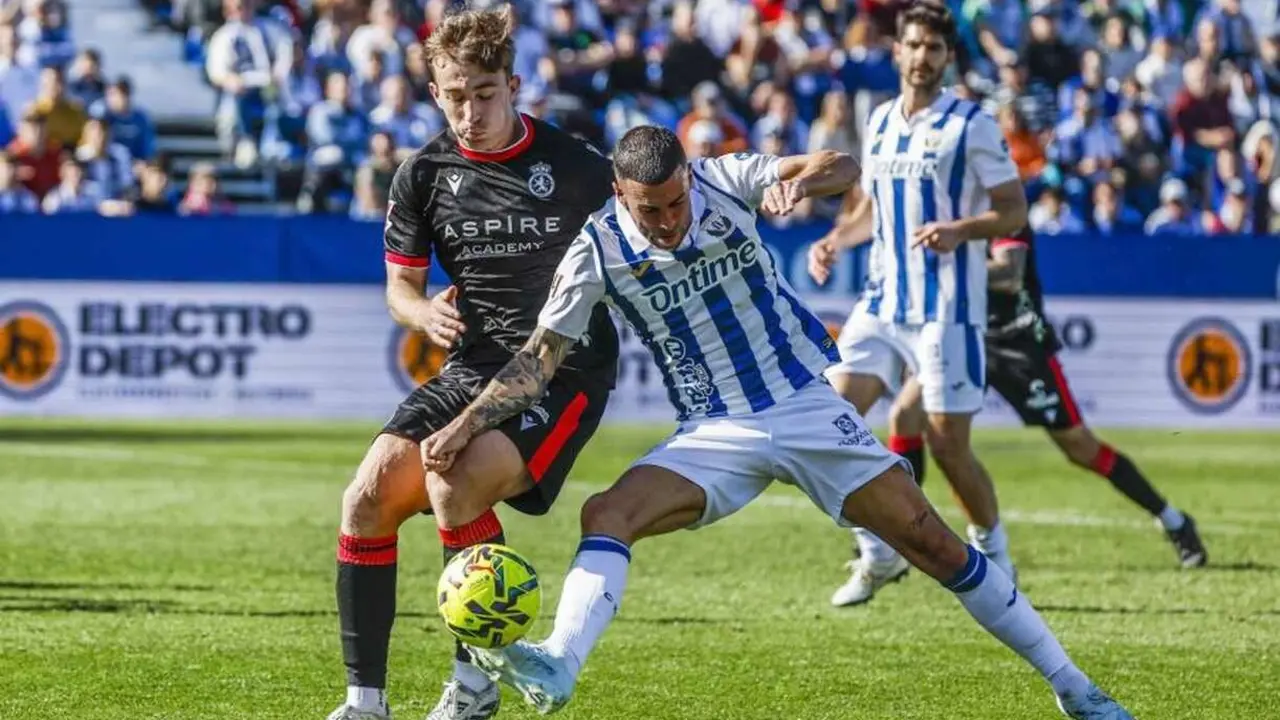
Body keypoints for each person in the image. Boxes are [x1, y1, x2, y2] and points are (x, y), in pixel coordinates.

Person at [422, 125, 1134, 720]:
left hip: (804, 403)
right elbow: (539, 358)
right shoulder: (597, 249)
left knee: (935, 545)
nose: (668, 221)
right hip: (712, 431)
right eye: (651, 211)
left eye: (675, 203)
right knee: (607, 512)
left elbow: (842, 165)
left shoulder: (724, 178)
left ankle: (1077, 691)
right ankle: (559, 665)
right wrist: (465, 424)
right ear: (619, 195)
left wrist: (806, 180)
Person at [327, 8, 619, 720]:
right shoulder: (422, 174)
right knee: (365, 500)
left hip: (565, 367)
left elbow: (654, 230)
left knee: (452, 481)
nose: (471, 110)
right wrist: (421, 310)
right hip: (472, 365)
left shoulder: (576, 167)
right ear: (434, 93)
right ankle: (365, 704)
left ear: (515, 85)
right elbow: (399, 287)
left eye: (484, 93)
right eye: (455, 95)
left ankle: (476, 689)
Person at [828, 227, 1208, 597]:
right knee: (905, 416)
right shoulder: (947, 203)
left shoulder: (1000, 209)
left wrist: (950, 262)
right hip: (962, 335)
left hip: (1017, 344)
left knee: (1080, 448)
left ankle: (1173, 519)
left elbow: (1009, 275)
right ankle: (896, 535)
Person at [807, 1, 1028, 607]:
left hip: (946, 307)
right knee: (823, 418)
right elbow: (872, 207)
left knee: (948, 445)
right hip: (882, 299)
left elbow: (1013, 209)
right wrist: (833, 238)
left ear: (947, 57)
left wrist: (962, 228)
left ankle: (996, 553)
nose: (922, 57)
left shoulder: (971, 123)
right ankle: (878, 552)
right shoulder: (878, 120)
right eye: (913, 46)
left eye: (933, 48)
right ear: (897, 50)